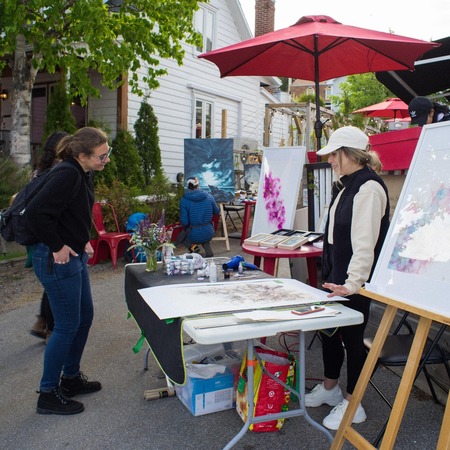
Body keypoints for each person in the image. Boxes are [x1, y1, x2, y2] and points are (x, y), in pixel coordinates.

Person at [304, 126, 390, 430]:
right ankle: (330, 389)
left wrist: (353, 283)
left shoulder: (368, 188)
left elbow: (365, 244)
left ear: (349, 154)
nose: (330, 160)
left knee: (353, 339)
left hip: (355, 281)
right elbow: (334, 232)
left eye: (333, 154)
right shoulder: (345, 184)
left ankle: (355, 404)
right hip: (336, 274)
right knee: (329, 331)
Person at [27, 127, 111, 415]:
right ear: (82, 155)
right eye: (102, 155)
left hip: (72, 254)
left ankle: (70, 379)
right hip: (56, 259)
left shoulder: (83, 172)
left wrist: (82, 239)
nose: (107, 160)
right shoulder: (66, 172)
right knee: (65, 326)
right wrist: (58, 246)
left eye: (106, 153)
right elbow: (38, 213)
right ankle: (48, 394)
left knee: (84, 317)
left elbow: (72, 212)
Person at [29, 131, 69, 342]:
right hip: (53, 236)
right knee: (57, 286)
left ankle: (42, 321)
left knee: (51, 285)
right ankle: (52, 330)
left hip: (38, 237)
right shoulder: (61, 171)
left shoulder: (37, 171)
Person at [178, 177, 220, 257]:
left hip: (194, 234)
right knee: (203, 236)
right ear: (198, 185)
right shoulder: (209, 197)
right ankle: (208, 250)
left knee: (181, 237)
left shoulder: (184, 200)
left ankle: (193, 248)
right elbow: (217, 212)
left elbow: (185, 222)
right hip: (209, 232)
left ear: (187, 186)